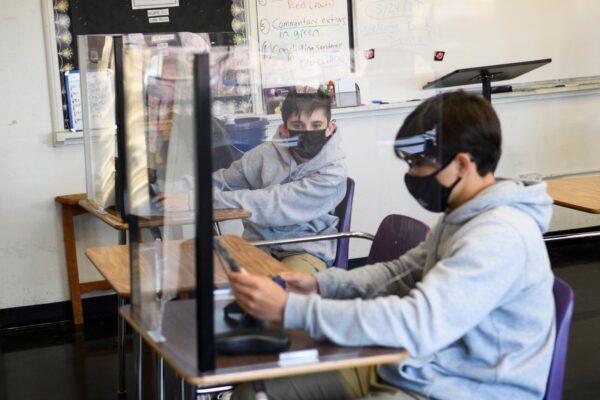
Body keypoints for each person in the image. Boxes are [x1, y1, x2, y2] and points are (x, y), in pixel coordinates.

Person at [229, 91, 556, 400]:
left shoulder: (498, 236)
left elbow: (418, 322)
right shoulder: (462, 215)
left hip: (462, 388)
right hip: (418, 366)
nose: (412, 174)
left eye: (418, 164)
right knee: (258, 390)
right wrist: (319, 286)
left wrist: (292, 310)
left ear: (461, 164)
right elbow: (401, 273)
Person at [213, 90, 347, 273]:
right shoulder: (265, 154)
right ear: (284, 129)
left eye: (316, 125)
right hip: (259, 245)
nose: (307, 132)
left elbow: (273, 203)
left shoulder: (333, 172)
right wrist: (181, 194)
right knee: (217, 281)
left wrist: (204, 202)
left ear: (329, 128)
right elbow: (223, 180)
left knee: (283, 290)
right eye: (298, 125)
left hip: (305, 249)